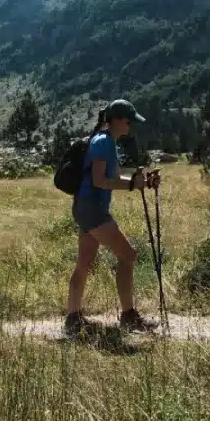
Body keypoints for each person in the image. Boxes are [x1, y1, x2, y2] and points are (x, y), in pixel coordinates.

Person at [64, 99, 161, 336]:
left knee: (84, 264)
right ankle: (129, 317)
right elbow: (99, 181)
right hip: (93, 209)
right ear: (117, 119)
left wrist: (142, 182)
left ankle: (73, 319)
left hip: (86, 207)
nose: (130, 125)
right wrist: (131, 186)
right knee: (128, 256)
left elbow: (113, 178)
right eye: (128, 120)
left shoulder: (105, 142)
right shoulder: (103, 143)